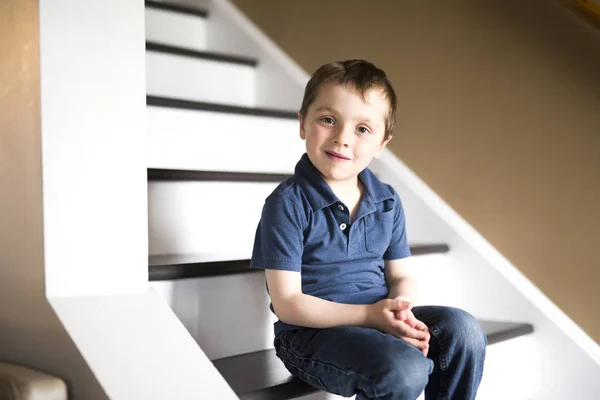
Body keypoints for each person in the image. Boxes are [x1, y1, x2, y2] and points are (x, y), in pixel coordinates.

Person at [251, 59, 486, 400]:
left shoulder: (386, 201)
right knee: (405, 369)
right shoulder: (288, 203)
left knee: (462, 329)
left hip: (376, 319)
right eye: (328, 120)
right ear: (303, 124)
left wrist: (400, 308)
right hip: (310, 336)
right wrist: (370, 317)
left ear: (381, 144)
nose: (342, 139)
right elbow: (288, 303)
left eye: (362, 129)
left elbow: (402, 275)